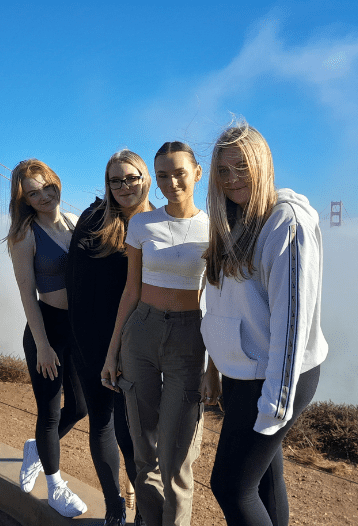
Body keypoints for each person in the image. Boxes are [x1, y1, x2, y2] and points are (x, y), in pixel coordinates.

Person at [200, 123, 328, 526]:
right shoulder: (233, 219)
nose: (233, 178)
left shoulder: (286, 224)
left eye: (242, 166)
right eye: (223, 170)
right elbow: (226, 305)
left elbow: (292, 325)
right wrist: (217, 370)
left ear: (263, 163)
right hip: (245, 371)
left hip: (274, 375)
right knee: (266, 482)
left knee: (231, 486)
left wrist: (276, 403)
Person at [101, 142, 217, 526]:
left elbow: (218, 302)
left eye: (179, 173)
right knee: (143, 454)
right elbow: (131, 291)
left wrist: (213, 367)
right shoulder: (141, 224)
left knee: (177, 460)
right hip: (142, 332)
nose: (171, 182)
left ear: (197, 173)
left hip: (190, 337)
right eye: (162, 175)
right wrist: (112, 350)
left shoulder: (215, 228)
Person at [66, 150, 153, 526]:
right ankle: (115, 505)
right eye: (115, 180)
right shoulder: (95, 218)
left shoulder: (160, 221)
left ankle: (147, 509)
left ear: (145, 177)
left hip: (136, 344)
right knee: (100, 422)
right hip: (90, 340)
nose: (123, 187)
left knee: (131, 432)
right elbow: (75, 281)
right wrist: (86, 347)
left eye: (131, 178)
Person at [4, 159, 89, 518]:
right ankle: (55, 487)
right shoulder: (24, 235)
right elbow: (27, 294)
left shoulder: (74, 223)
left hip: (80, 329)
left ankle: (35, 449)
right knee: (50, 412)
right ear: (24, 200)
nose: (43, 196)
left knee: (81, 407)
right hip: (47, 329)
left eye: (46, 187)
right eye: (33, 193)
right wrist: (42, 345)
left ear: (56, 182)